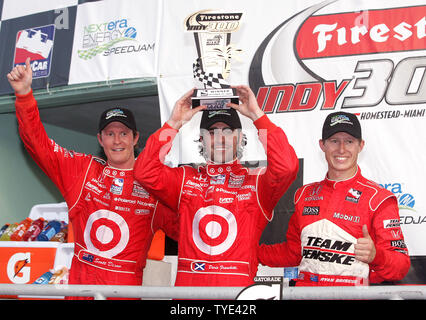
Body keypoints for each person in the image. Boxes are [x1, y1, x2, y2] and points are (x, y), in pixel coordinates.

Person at [7, 58, 178, 298]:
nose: (117, 140)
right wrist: (24, 95)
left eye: (123, 133)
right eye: (110, 133)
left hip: (124, 290)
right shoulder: (82, 170)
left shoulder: (151, 182)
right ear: (100, 139)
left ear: (136, 138)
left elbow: (186, 227)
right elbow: (38, 145)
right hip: (81, 287)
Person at [134, 85, 299, 287]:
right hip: (189, 300)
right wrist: (174, 123)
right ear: (201, 139)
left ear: (240, 137)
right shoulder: (186, 179)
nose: (220, 138)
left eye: (228, 131)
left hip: (236, 298)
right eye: (212, 132)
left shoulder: (256, 184)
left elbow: (287, 167)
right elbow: (144, 171)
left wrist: (257, 116)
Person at [258, 111, 410, 286]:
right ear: (322, 145)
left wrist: (376, 256)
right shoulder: (304, 194)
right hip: (306, 297)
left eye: (350, 141)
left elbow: (401, 266)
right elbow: (293, 253)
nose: (342, 149)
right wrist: (249, 251)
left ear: (361, 145)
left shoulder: (378, 199)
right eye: (334, 141)